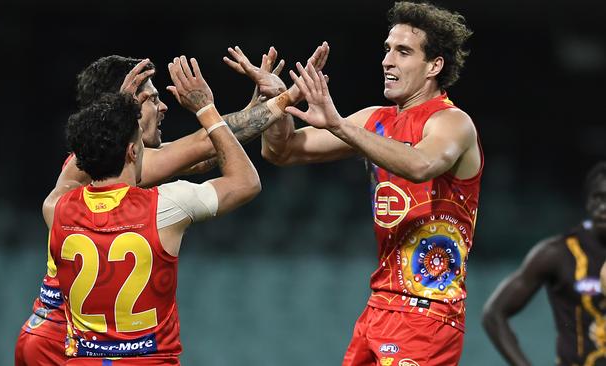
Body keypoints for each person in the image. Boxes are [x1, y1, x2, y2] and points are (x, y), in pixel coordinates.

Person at [15, 46, 329, 365]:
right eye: (151, 99)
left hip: (65, 337)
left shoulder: (80, 179)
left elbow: (202, 157)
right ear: (127, 112)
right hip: (64, 339)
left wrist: (258, 109)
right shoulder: (126, 174)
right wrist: (285, 99)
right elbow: (205, 148)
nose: (163, 106)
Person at [260, 2, 479, 364]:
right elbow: (281, 152)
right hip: (378, 307)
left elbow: (421, 164)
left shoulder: (452, 123)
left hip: (428, 312)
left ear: (434, 66)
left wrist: (339, 125)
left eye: (403, 52)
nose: (387, 61)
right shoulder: (374, 120)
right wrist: (280, 100)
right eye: (387, 50)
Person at [46, 58, 260, 365]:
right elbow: (242, 180)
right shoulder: (165, 205)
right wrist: (207, 110)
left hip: (68, 350)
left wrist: (112, 113)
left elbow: (75, 170)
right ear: (133, 151)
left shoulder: (59, 209)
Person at [483, 162, 606, 366]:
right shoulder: (557, 253)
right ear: (587, 202)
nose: (603, 207)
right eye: (598, 198)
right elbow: (494, 314)